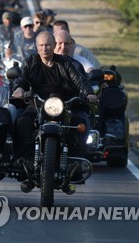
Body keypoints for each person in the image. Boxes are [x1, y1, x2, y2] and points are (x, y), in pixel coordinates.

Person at [12, 31, 97, 167]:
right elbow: (21, 78)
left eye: (48, 45)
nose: (44, 48)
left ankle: (75, 162)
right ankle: (24, 161)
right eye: (41, 45)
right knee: (22, 122)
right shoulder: (31, 61)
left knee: (80, 122)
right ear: (36, 46)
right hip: (38, 104)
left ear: (53, 46)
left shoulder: (65, 63)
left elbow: (80, 81)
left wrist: (88, 93)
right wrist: (18, 88)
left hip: (65, 105)